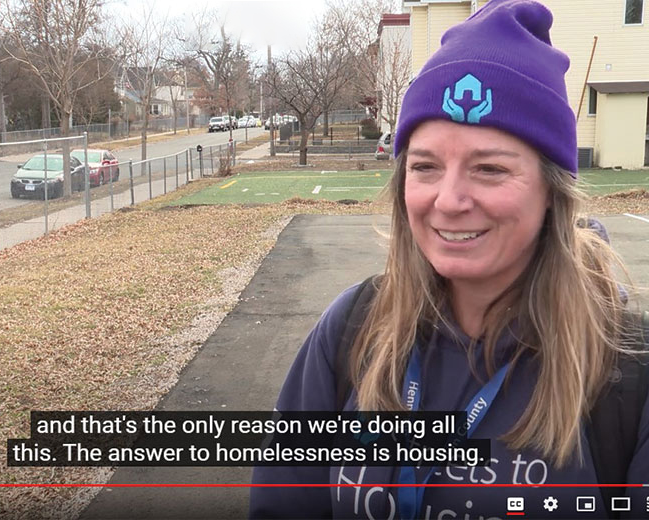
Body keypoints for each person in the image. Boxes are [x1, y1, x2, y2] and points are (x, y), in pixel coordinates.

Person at [249, 0, 649, 518]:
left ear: (552, 191)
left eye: (489, 169)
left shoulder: (627, 371)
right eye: (426, 166)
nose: (450, 200)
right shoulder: (352, 330)